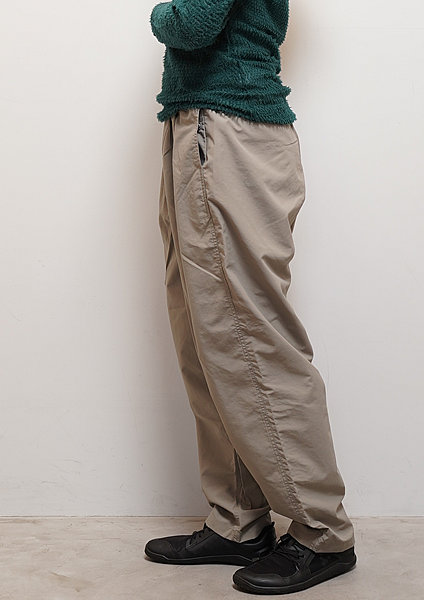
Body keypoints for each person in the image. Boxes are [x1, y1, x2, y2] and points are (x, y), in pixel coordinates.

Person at [144, 0, 357, 594]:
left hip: (226, 134)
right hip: (208, 127)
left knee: (249, 340)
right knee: (206, 339)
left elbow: (191, 23)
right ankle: (238, 519)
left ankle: (323, 531)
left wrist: (159, 15)